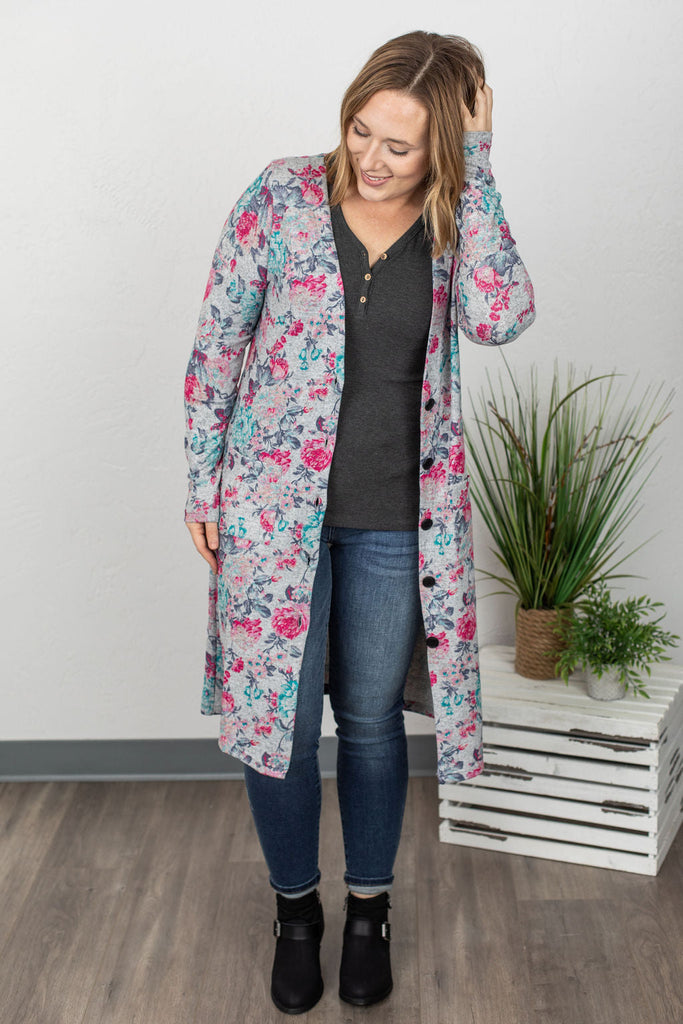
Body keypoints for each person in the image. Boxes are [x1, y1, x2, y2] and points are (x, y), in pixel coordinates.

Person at [184, 29, 536, 1015]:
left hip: (395, 525)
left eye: (401, 145)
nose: (370, 158)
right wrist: (202, 486)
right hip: (271, 518)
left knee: (373, 724)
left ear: (443, 148)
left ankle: (369, 912)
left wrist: (481, 168)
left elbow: (501, 317)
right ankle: (296, 912)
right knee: (282, 728)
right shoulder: (280, 195)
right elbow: (217, 344)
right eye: (360, 130)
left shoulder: (455, 217)